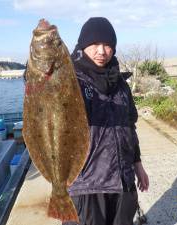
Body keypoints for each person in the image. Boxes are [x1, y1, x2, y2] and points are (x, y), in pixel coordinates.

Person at [65, 17, 149, 225]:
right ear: (83, 46)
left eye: (108, 45)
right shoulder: (69, 81)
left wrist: (137, 164)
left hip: (123, 183)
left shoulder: (121, 84)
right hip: (87, 186)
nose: (102, 51)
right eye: (94, 44)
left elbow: (129, 126)